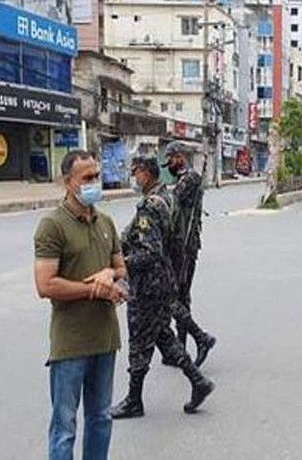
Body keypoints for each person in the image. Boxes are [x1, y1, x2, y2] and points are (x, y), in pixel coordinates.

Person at [33, 150, 128, 460]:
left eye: (96, 176)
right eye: (87, 178)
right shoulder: (53, 225)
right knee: (65, 426)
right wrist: (94, 290)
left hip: (105, 339)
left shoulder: (106, 222)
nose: (94, 183)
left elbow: (122, 272)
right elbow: (45, 284)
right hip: (71, 344)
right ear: (67, 182)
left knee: (101, 417)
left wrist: (110, 274)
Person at [111, 156, 215, 419]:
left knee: (139, 341)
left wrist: (120, 267)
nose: (134, 178)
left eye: (135, 173)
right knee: (163, 336)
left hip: (148, 285)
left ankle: (134, 401)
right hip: (164, 280)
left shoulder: (149, 206)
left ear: (146, 173)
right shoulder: (165, 197)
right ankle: (198, 381)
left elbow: (149, 251)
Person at [160, 141, 217, 367]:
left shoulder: (190, 179)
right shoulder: (185, 178)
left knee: (176, 295)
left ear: (180, 157)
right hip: (181, 245)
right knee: (179, 295)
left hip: (184, 246)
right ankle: (180, 348)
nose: (170, 166)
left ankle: (199, 339)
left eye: (172, 160)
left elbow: (175, 206)